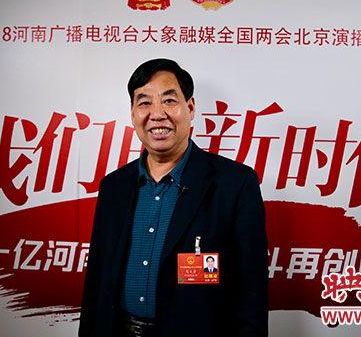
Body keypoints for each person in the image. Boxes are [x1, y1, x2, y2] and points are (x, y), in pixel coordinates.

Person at [79, 58, 268, 337]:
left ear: (190, 108)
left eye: (169, 101)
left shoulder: (235, 184)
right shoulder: (114, 186)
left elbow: (251, 294)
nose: (157, 114)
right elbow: (96, 282)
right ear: (133, 113)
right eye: (144, 103)